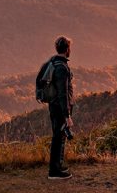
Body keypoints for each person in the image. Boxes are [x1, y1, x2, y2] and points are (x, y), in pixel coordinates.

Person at [48, 35, 74, 180]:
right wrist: (67, 115)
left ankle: (58, 166)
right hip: (60, 109)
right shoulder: (62, 68)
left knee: (60, 137)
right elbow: (63, 94)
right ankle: (54, 171)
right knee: (58, 138)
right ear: (67, 49)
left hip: (54, 106)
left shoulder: (54, 63)